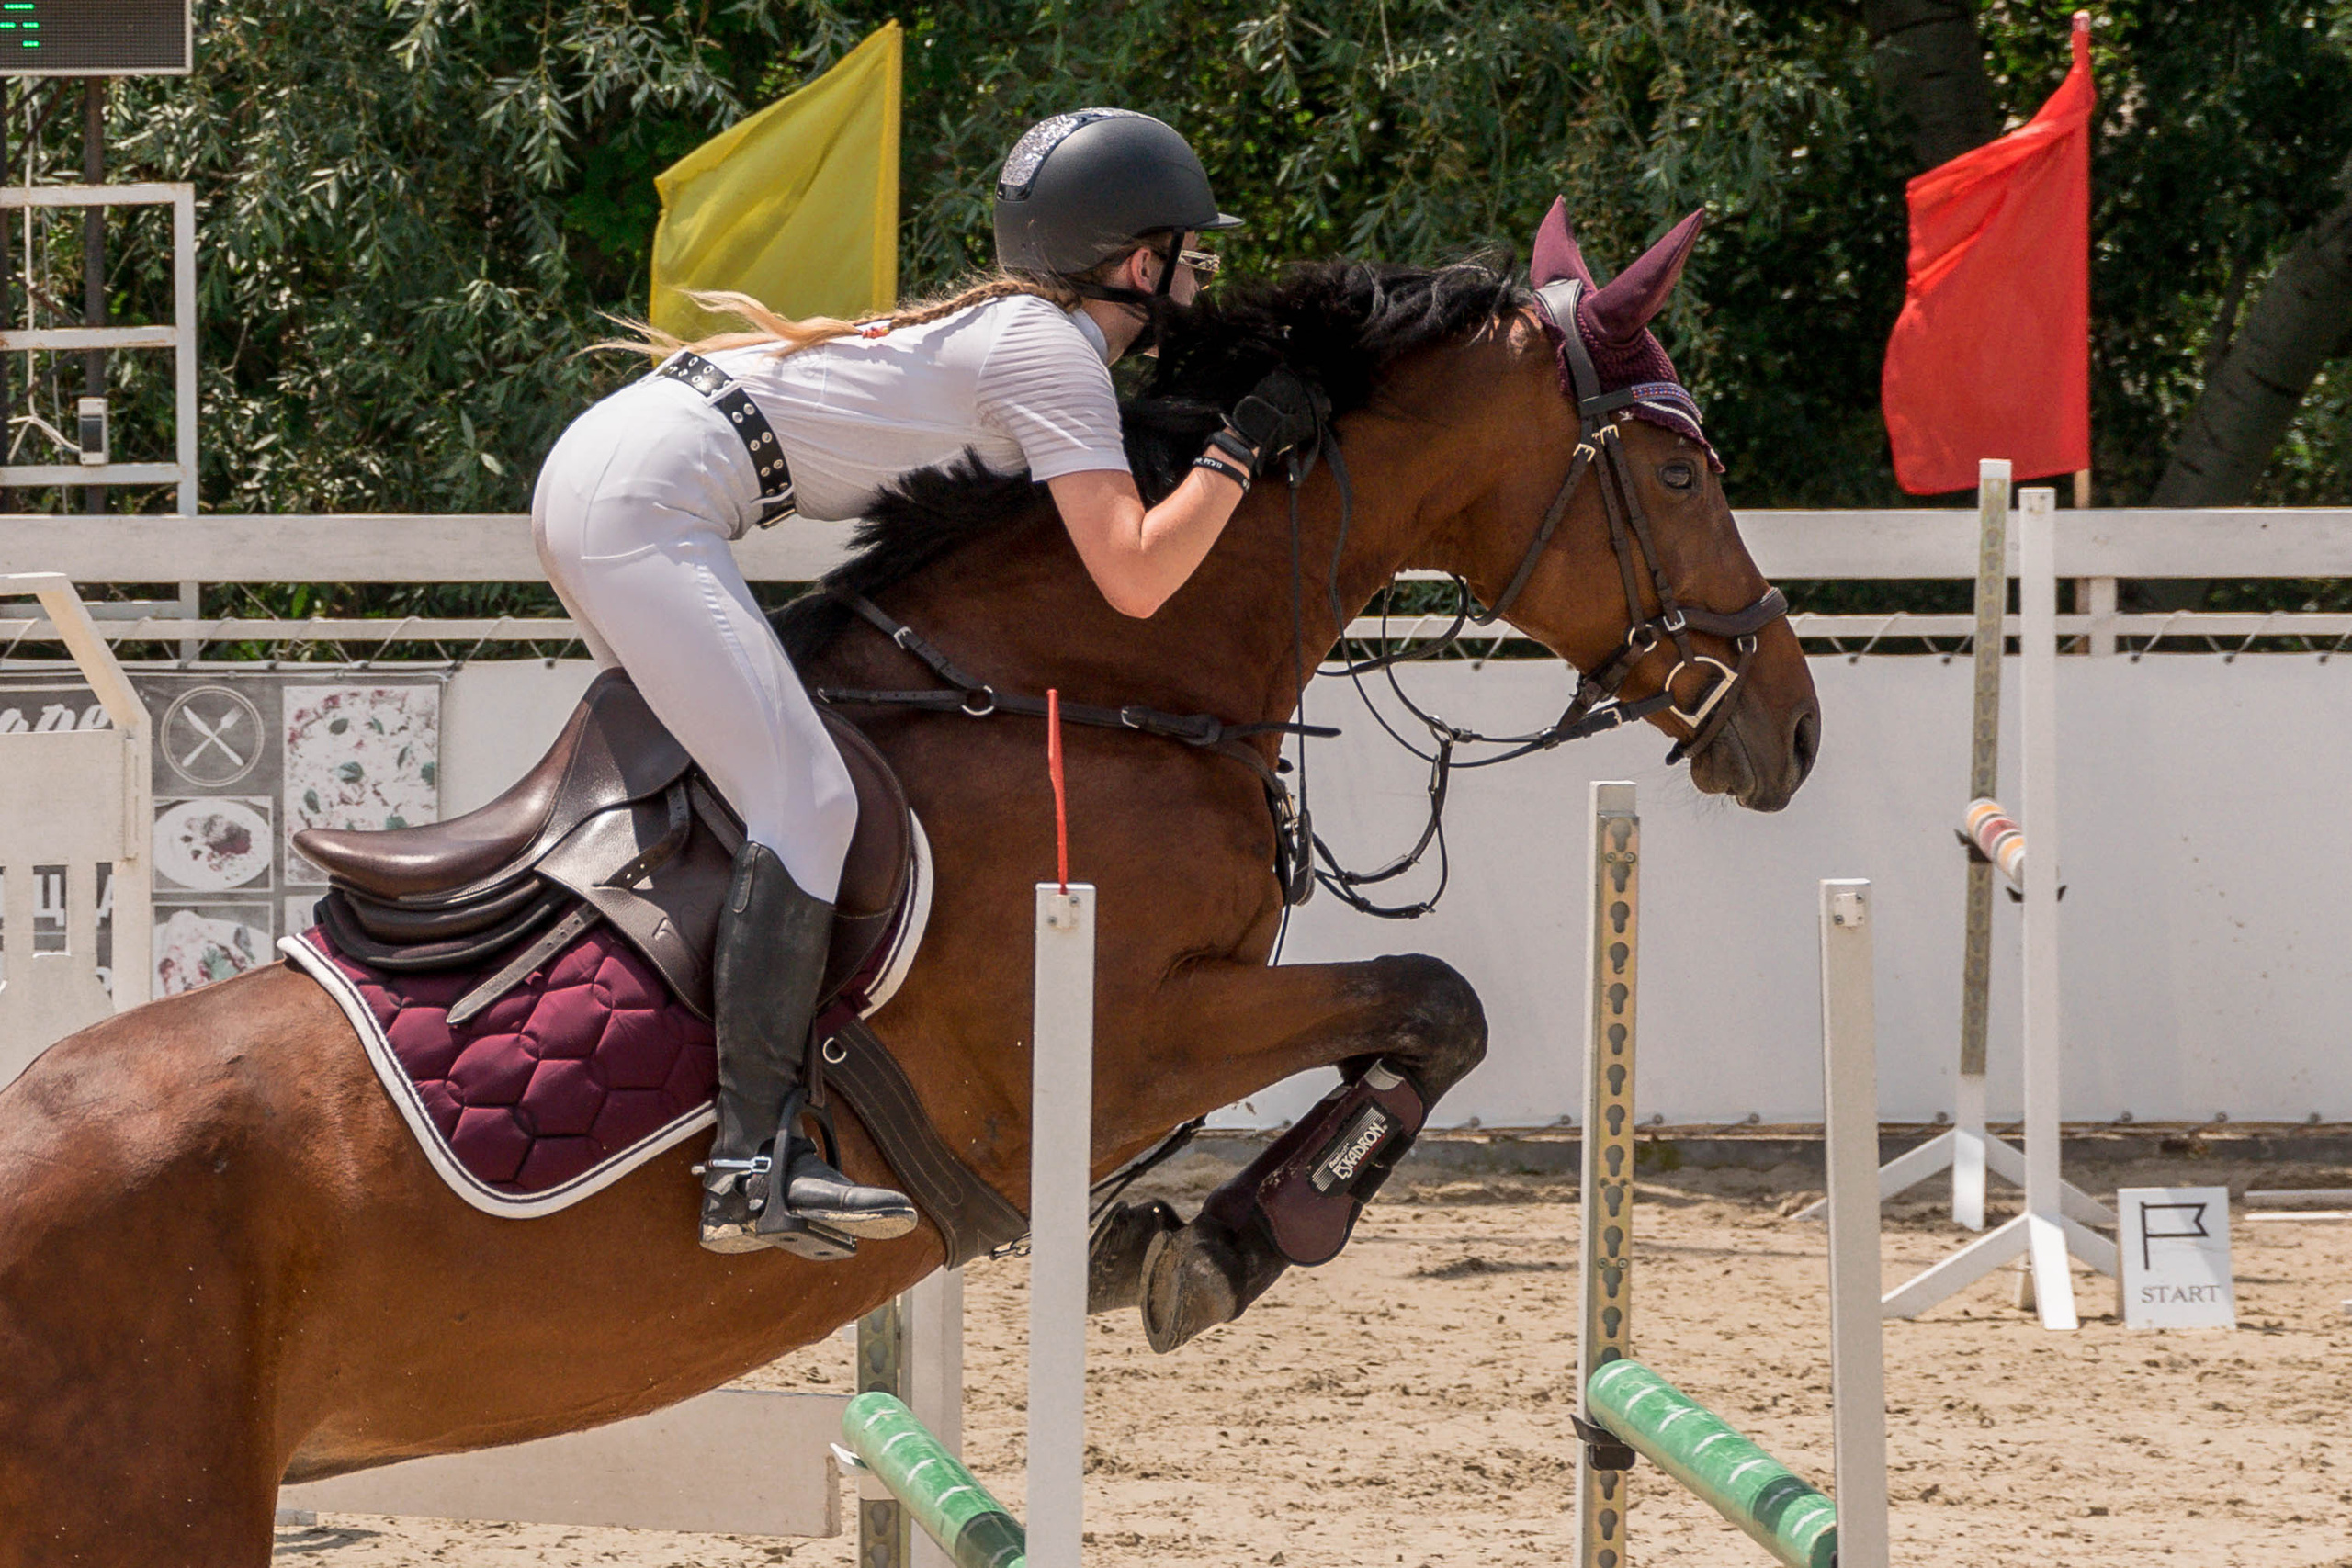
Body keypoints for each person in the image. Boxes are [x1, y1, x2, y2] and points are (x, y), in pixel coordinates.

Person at [531, 107, 1322, 1259]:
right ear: (1139, 265)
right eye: (1193, 256)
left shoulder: (1025, 336)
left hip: (622, 479)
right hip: (643, 503)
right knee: (805, 797)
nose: (1202, 279)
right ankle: (751, 1162)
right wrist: (1239, 447)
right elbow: (1138, 575)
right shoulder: (1053, 352)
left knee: (757, 795)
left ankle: (700, 1093)